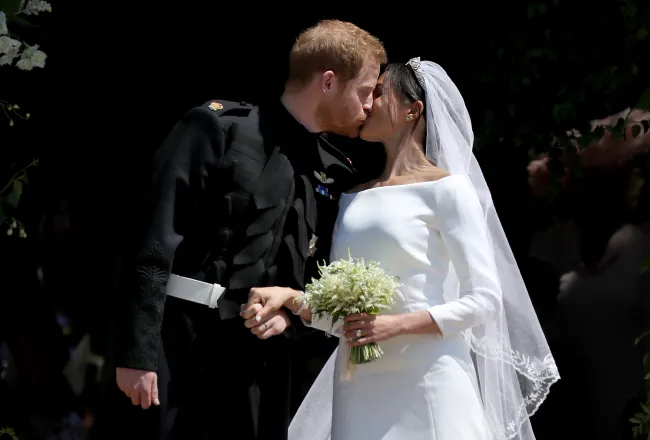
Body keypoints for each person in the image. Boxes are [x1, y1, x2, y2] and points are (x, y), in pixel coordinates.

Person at [241, 59, 560, 440]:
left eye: (379, 92)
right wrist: (293, 299)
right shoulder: (351, 197)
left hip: (429, 379)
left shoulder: (448, 190)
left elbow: (485, 300)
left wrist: (394, 325)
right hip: (358, 388)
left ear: (413, 110)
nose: (368, 103)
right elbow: (346, 322)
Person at [110, 19, 387, 440]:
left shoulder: (334, 171)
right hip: (178, 347)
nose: (369, 106)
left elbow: (317, 277)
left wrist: (290, 322)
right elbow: (152, 241)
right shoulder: (217, 128)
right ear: (328, 82)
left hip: (263, 368)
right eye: (365, 91)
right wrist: (137, 354)